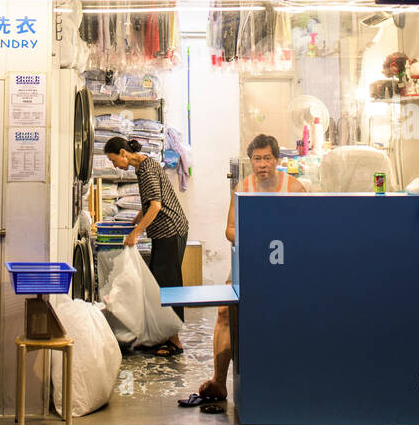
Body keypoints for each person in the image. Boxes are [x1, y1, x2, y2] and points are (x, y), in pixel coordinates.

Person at [198, 134, 305, 401]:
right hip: (249, 261)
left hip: (286, 265)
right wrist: (256, 236)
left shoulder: (294, 189)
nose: (262, 164)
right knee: (225, 311)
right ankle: (219, 381)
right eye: (256, 159)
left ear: (277, 160)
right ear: (251, 161)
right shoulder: (242, 189)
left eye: (267, 158)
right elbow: (230, 231)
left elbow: (308, 228)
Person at [103, 137, 189, 355]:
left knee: (168, 284)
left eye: (114, 160)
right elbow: (150, 202)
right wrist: (135, 221)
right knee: (157, 284)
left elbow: (157, 206)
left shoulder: (147, 169)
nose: (115, 166)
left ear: (123, 153)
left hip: (170, 230)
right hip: (167, 231)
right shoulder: (142, 166)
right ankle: (160, 336)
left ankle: (175, 341)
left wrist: (135, 233)